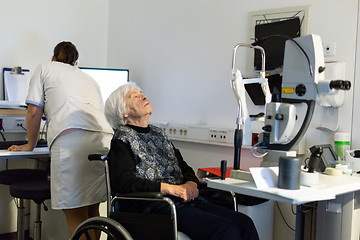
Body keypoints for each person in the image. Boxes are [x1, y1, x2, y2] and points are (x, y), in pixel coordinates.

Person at [104, 82, 260, 240]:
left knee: (244, 222)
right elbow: (123, 182)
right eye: (135, 96)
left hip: (183, 200)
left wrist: (191, 184)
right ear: (123, 112)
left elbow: (183, 167)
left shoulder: (158, 134)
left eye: (142, 93)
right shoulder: (122, 139)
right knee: (224, 229)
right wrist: (170, 189)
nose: (143, 96)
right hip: (154, 205)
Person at [7, 41, 114, 239]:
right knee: (92, 212)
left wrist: (30, 145)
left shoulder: (45, 68)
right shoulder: (89, 78)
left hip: (72, 139)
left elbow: (33, 110)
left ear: (53, 58)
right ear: (76, 62)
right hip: (103, 141)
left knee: (76, 216)